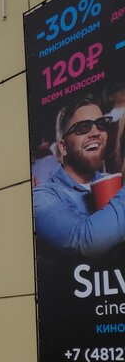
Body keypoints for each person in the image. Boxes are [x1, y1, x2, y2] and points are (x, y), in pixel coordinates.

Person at [33, 94, 125, 258]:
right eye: (83, 127)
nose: (95, 133)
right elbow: (85, 242)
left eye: (101, 125)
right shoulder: (43, 197)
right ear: (63, 148)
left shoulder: (116, 182)